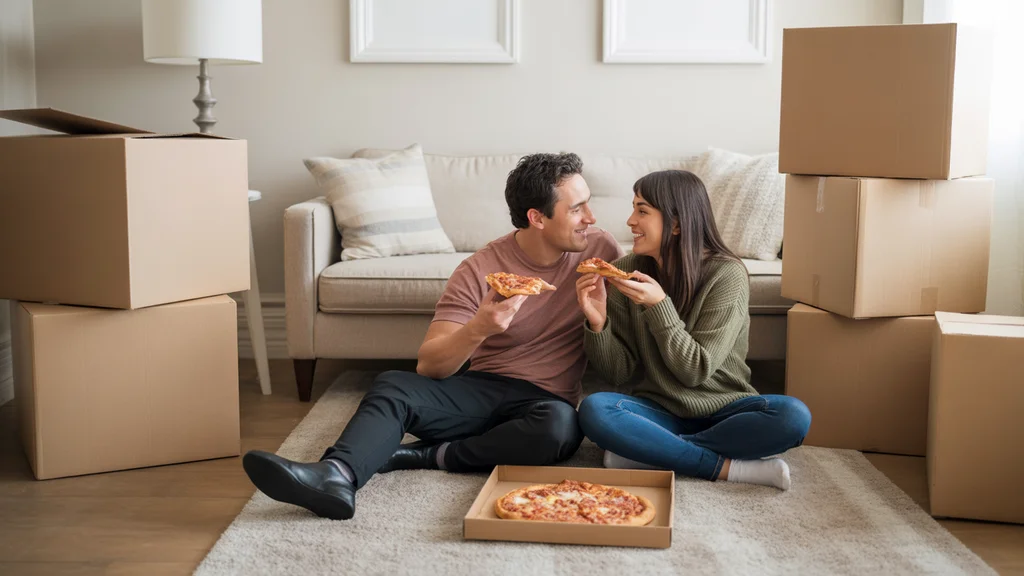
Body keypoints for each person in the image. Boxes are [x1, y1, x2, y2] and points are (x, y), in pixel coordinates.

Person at [243, 153, 623, 519]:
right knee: (393, 385)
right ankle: (336, 476)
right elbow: (431, 366)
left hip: (544, 404)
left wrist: (600, 321)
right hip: (480, 390)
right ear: (537, 217)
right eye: (577, 209)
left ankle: (422, 455)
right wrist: (480, 328)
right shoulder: (481, 269)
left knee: (561, 427)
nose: (590, 218)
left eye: (587, 205)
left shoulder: (600, 249)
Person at [575, 170, 810, 490]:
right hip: (659, 410)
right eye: (634, 208)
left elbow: (695, 371)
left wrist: (658, 307)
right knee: (595, 409)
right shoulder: (628, 270)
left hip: (725, 409)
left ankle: (651, 451)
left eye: (642, 210)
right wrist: (598, 322)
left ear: (675, 223)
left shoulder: (726, 274)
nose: (630, 220)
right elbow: (620, 373)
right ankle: (730, 468)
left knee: (793, 416)